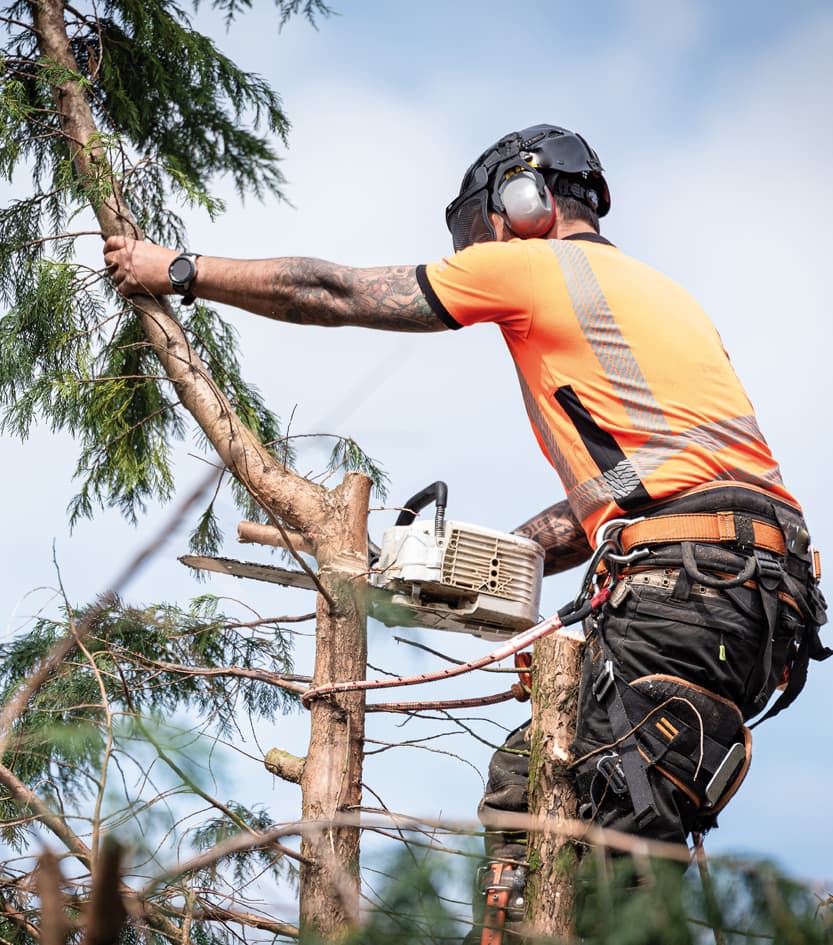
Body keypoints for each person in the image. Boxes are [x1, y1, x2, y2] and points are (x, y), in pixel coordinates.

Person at [104, 123, 828, 941]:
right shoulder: (657, 304)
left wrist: (180, 271)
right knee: (582, 794)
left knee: (561, 804)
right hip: (748, 593)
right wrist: (471, 565)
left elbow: (333, 291)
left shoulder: (534, 262)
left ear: (523, 203)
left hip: (689, 582)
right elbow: (633, 486)